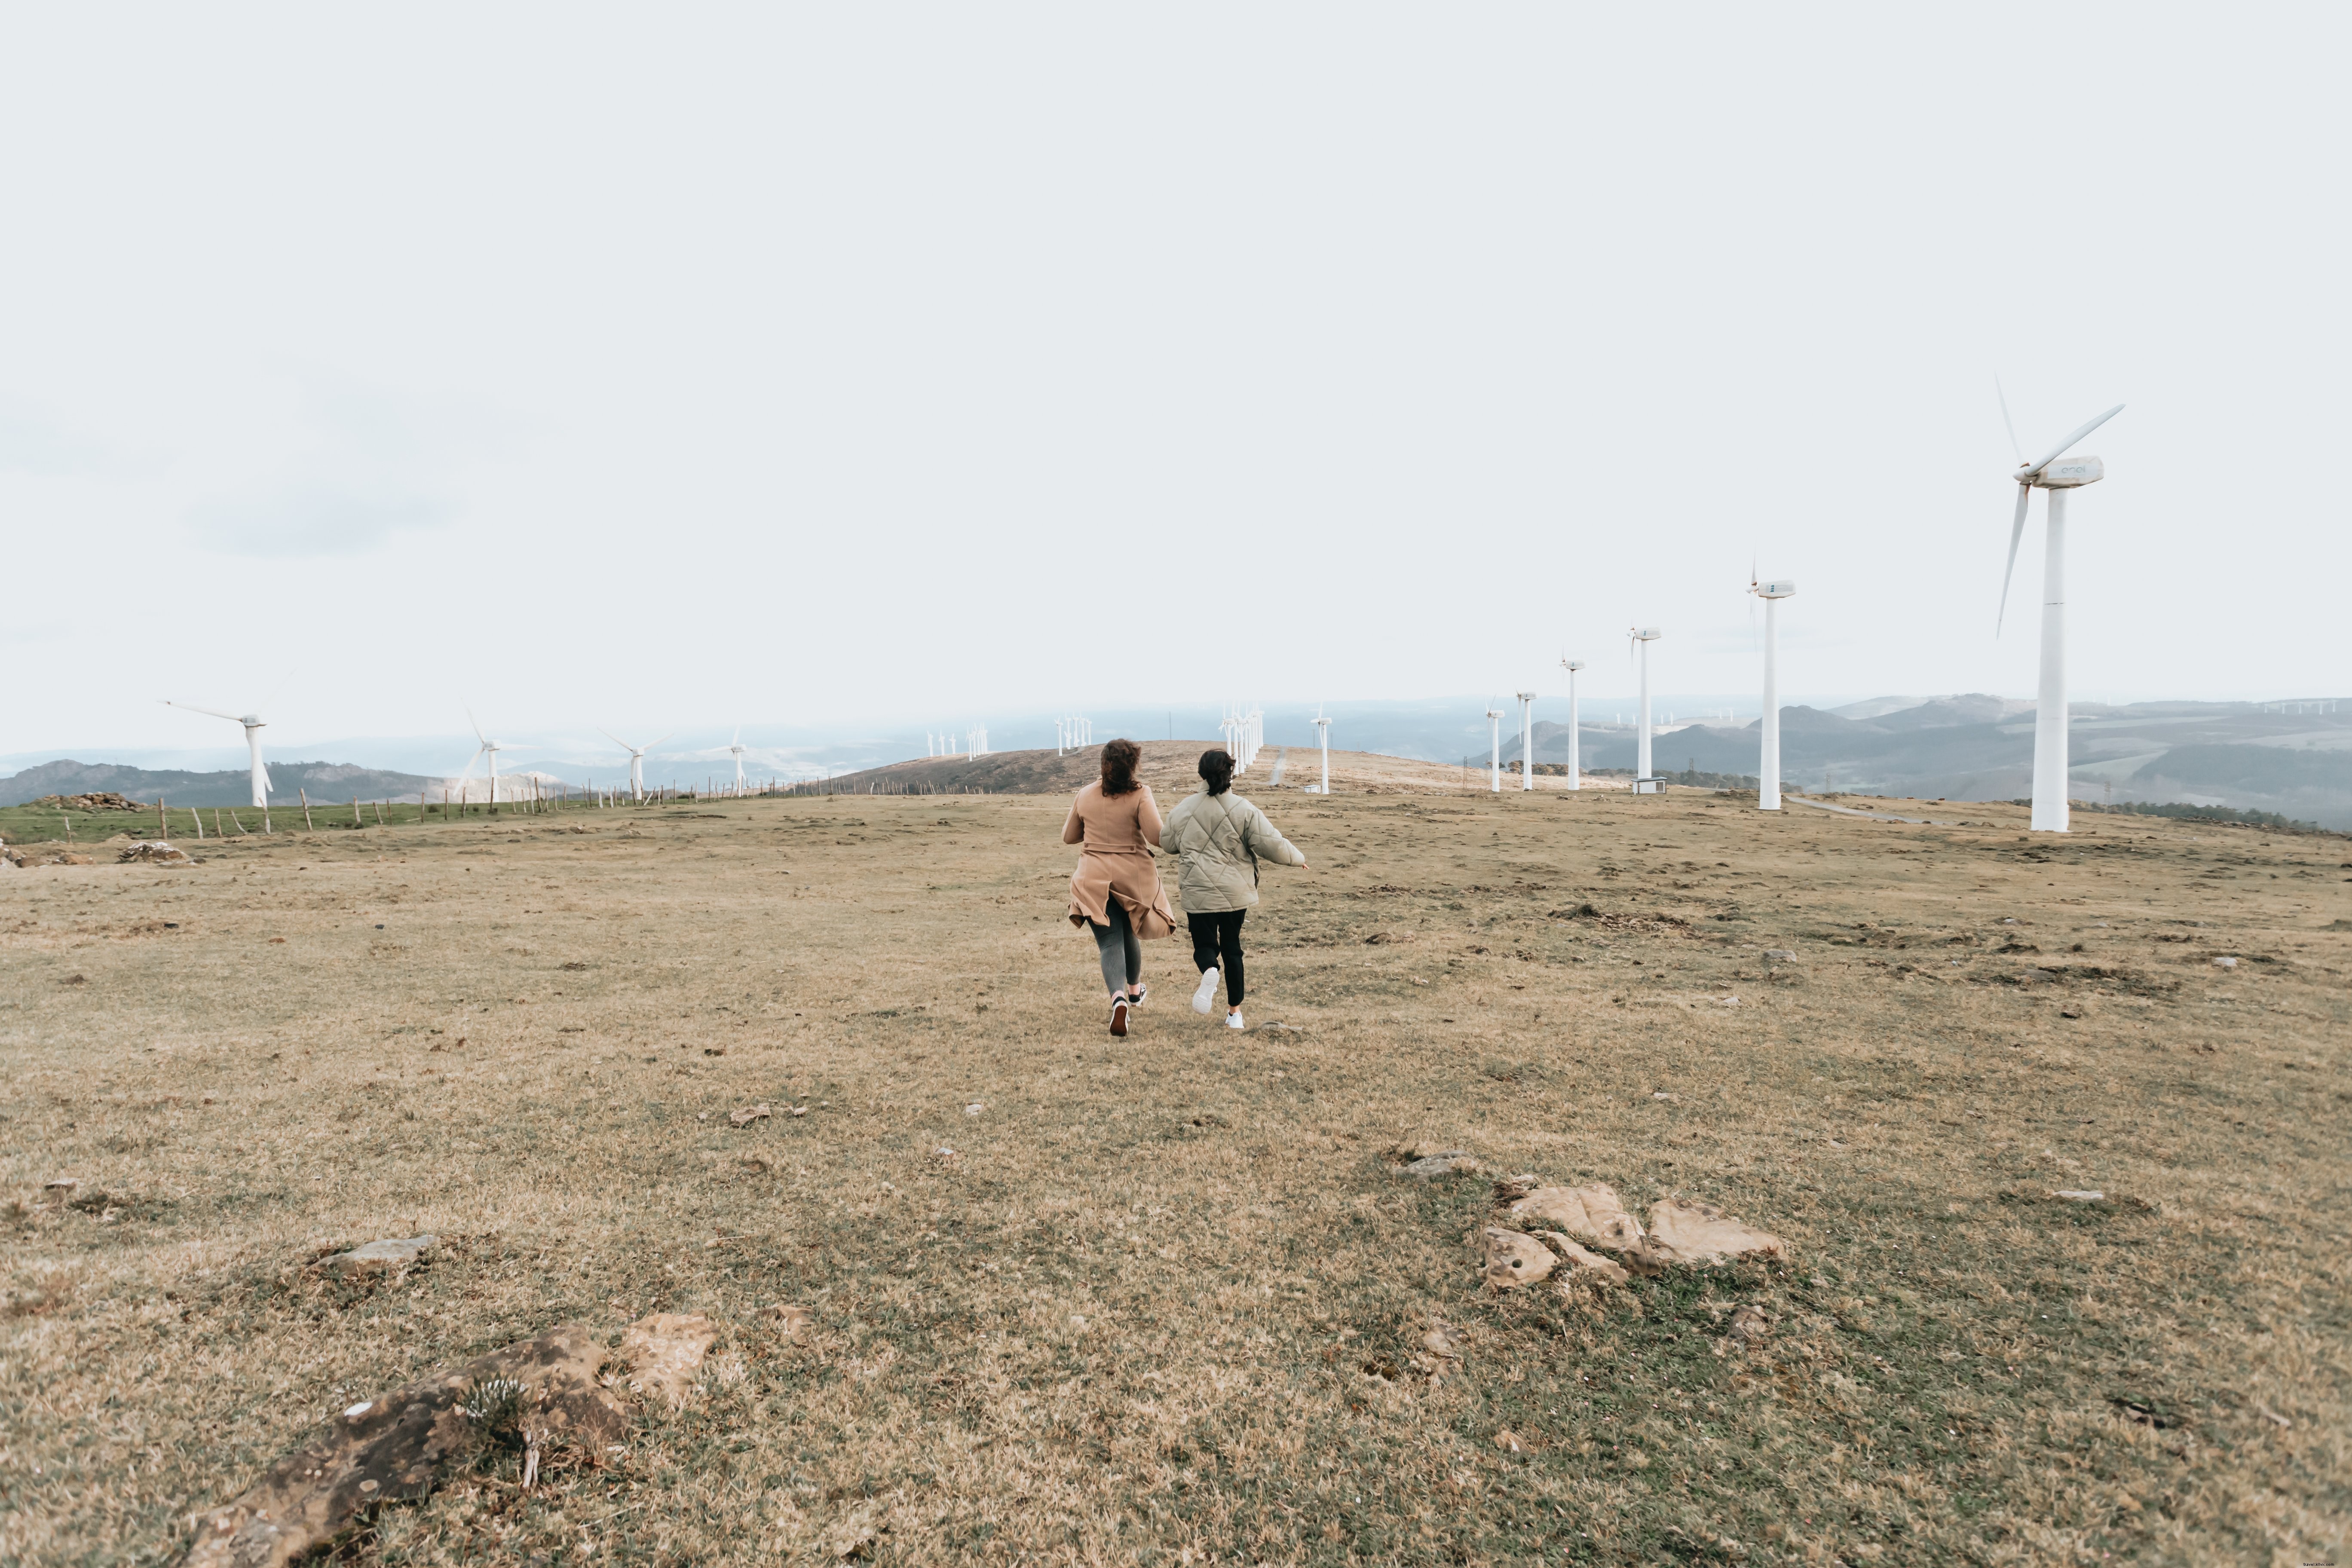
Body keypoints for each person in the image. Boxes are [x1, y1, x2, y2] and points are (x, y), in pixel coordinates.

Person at [1158, 747, 1305, 1030]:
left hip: (1198, 891)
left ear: (1201, 773)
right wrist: (1298, 859)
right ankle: (1235, 1014)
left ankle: (1210, 970)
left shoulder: (1183, 809)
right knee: (1233, 948)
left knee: (1204, 946)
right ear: (1230, 773)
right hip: (1235, 894)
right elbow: (1270, 843)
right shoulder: (1244, 809)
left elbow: (1168, 845)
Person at [1063, 738, 1176, 1037]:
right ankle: (1135, 991)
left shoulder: (1086, 794)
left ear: (1103, 764)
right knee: (1130, 931)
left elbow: (1069, 836)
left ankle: (1120, 999)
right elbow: (1156, 837)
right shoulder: (1141, 794)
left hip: (1093, 877)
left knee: (1112, 940)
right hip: (1133, 878)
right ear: (1133, 766)